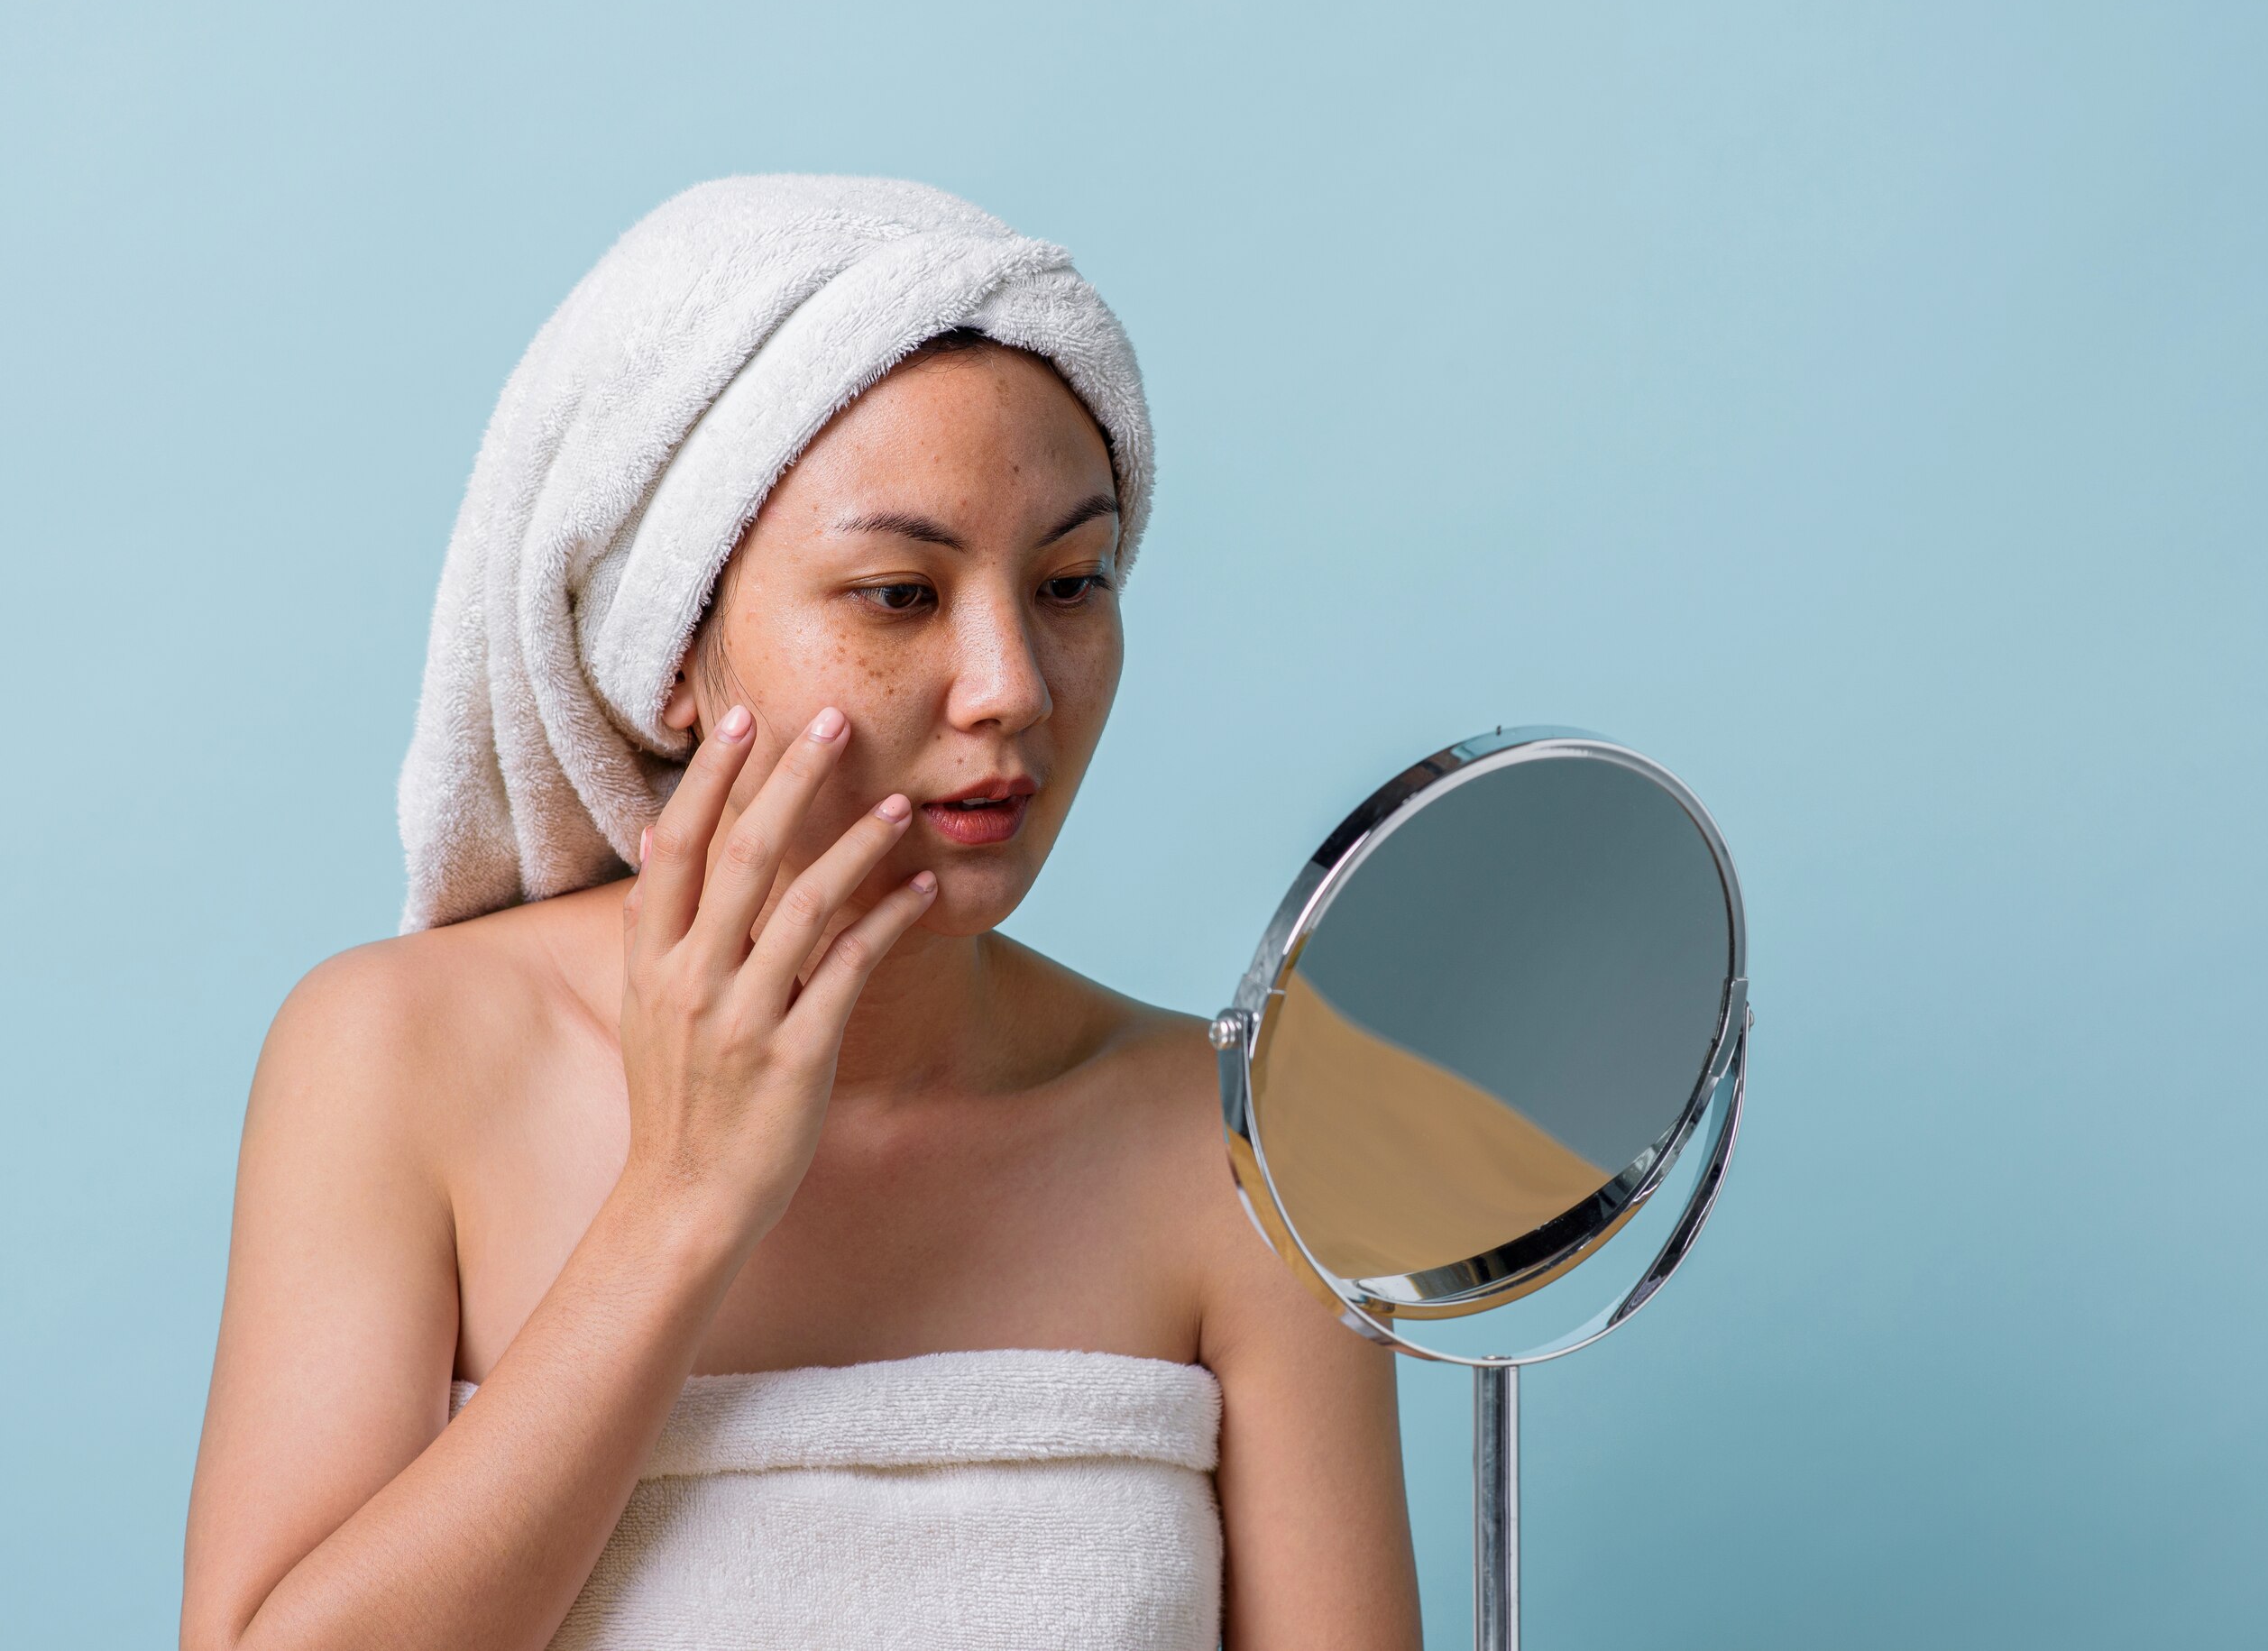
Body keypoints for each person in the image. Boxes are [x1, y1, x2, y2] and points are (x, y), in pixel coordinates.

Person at [179, 177, 1420, 1651]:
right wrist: (684, 1197)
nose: (1012, 685)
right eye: (899, 594)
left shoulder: (1244, 1148)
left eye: (1072, 582)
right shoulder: (400, 1059)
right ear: (669, 665)